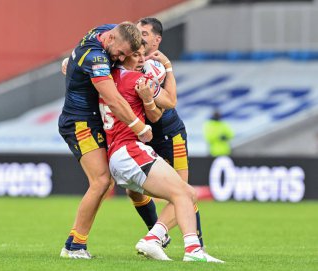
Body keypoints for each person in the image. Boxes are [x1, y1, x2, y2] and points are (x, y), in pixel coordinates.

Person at [100, 42, 221, 262]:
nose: (141, 59)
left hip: (117, 156)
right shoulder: (137, 80)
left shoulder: (104, 80)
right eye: (135, 55)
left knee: (186, 193)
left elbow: (154, 115)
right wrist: (167, 70)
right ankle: (192, 250)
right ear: (123, 55)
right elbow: (170, 101)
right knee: (183, 193)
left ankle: (154, 239)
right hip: (130, 151)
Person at [58, 22, 153, 259]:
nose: (119, 58)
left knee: (108, 182)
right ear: (110, 38)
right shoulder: (96, 58)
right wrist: (139, 127)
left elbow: (131, 31)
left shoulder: (109, 31)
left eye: (125, 55)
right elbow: (113, 99)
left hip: (92, 120)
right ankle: (75, 247)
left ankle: (73, 242)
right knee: (101, 180)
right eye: (119, 53)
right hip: (79, 122)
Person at [131, 17, 215, 256]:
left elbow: (165, 106)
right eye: (138, 32)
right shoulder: (132, 59)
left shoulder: (154, 66)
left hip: (169, 134)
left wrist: (168, 68)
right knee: (133, 190)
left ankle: (194, 244)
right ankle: (157, 234)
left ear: (157, 40)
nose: (140, 37)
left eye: (145, 34)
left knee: (183, 189)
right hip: (145, 136)